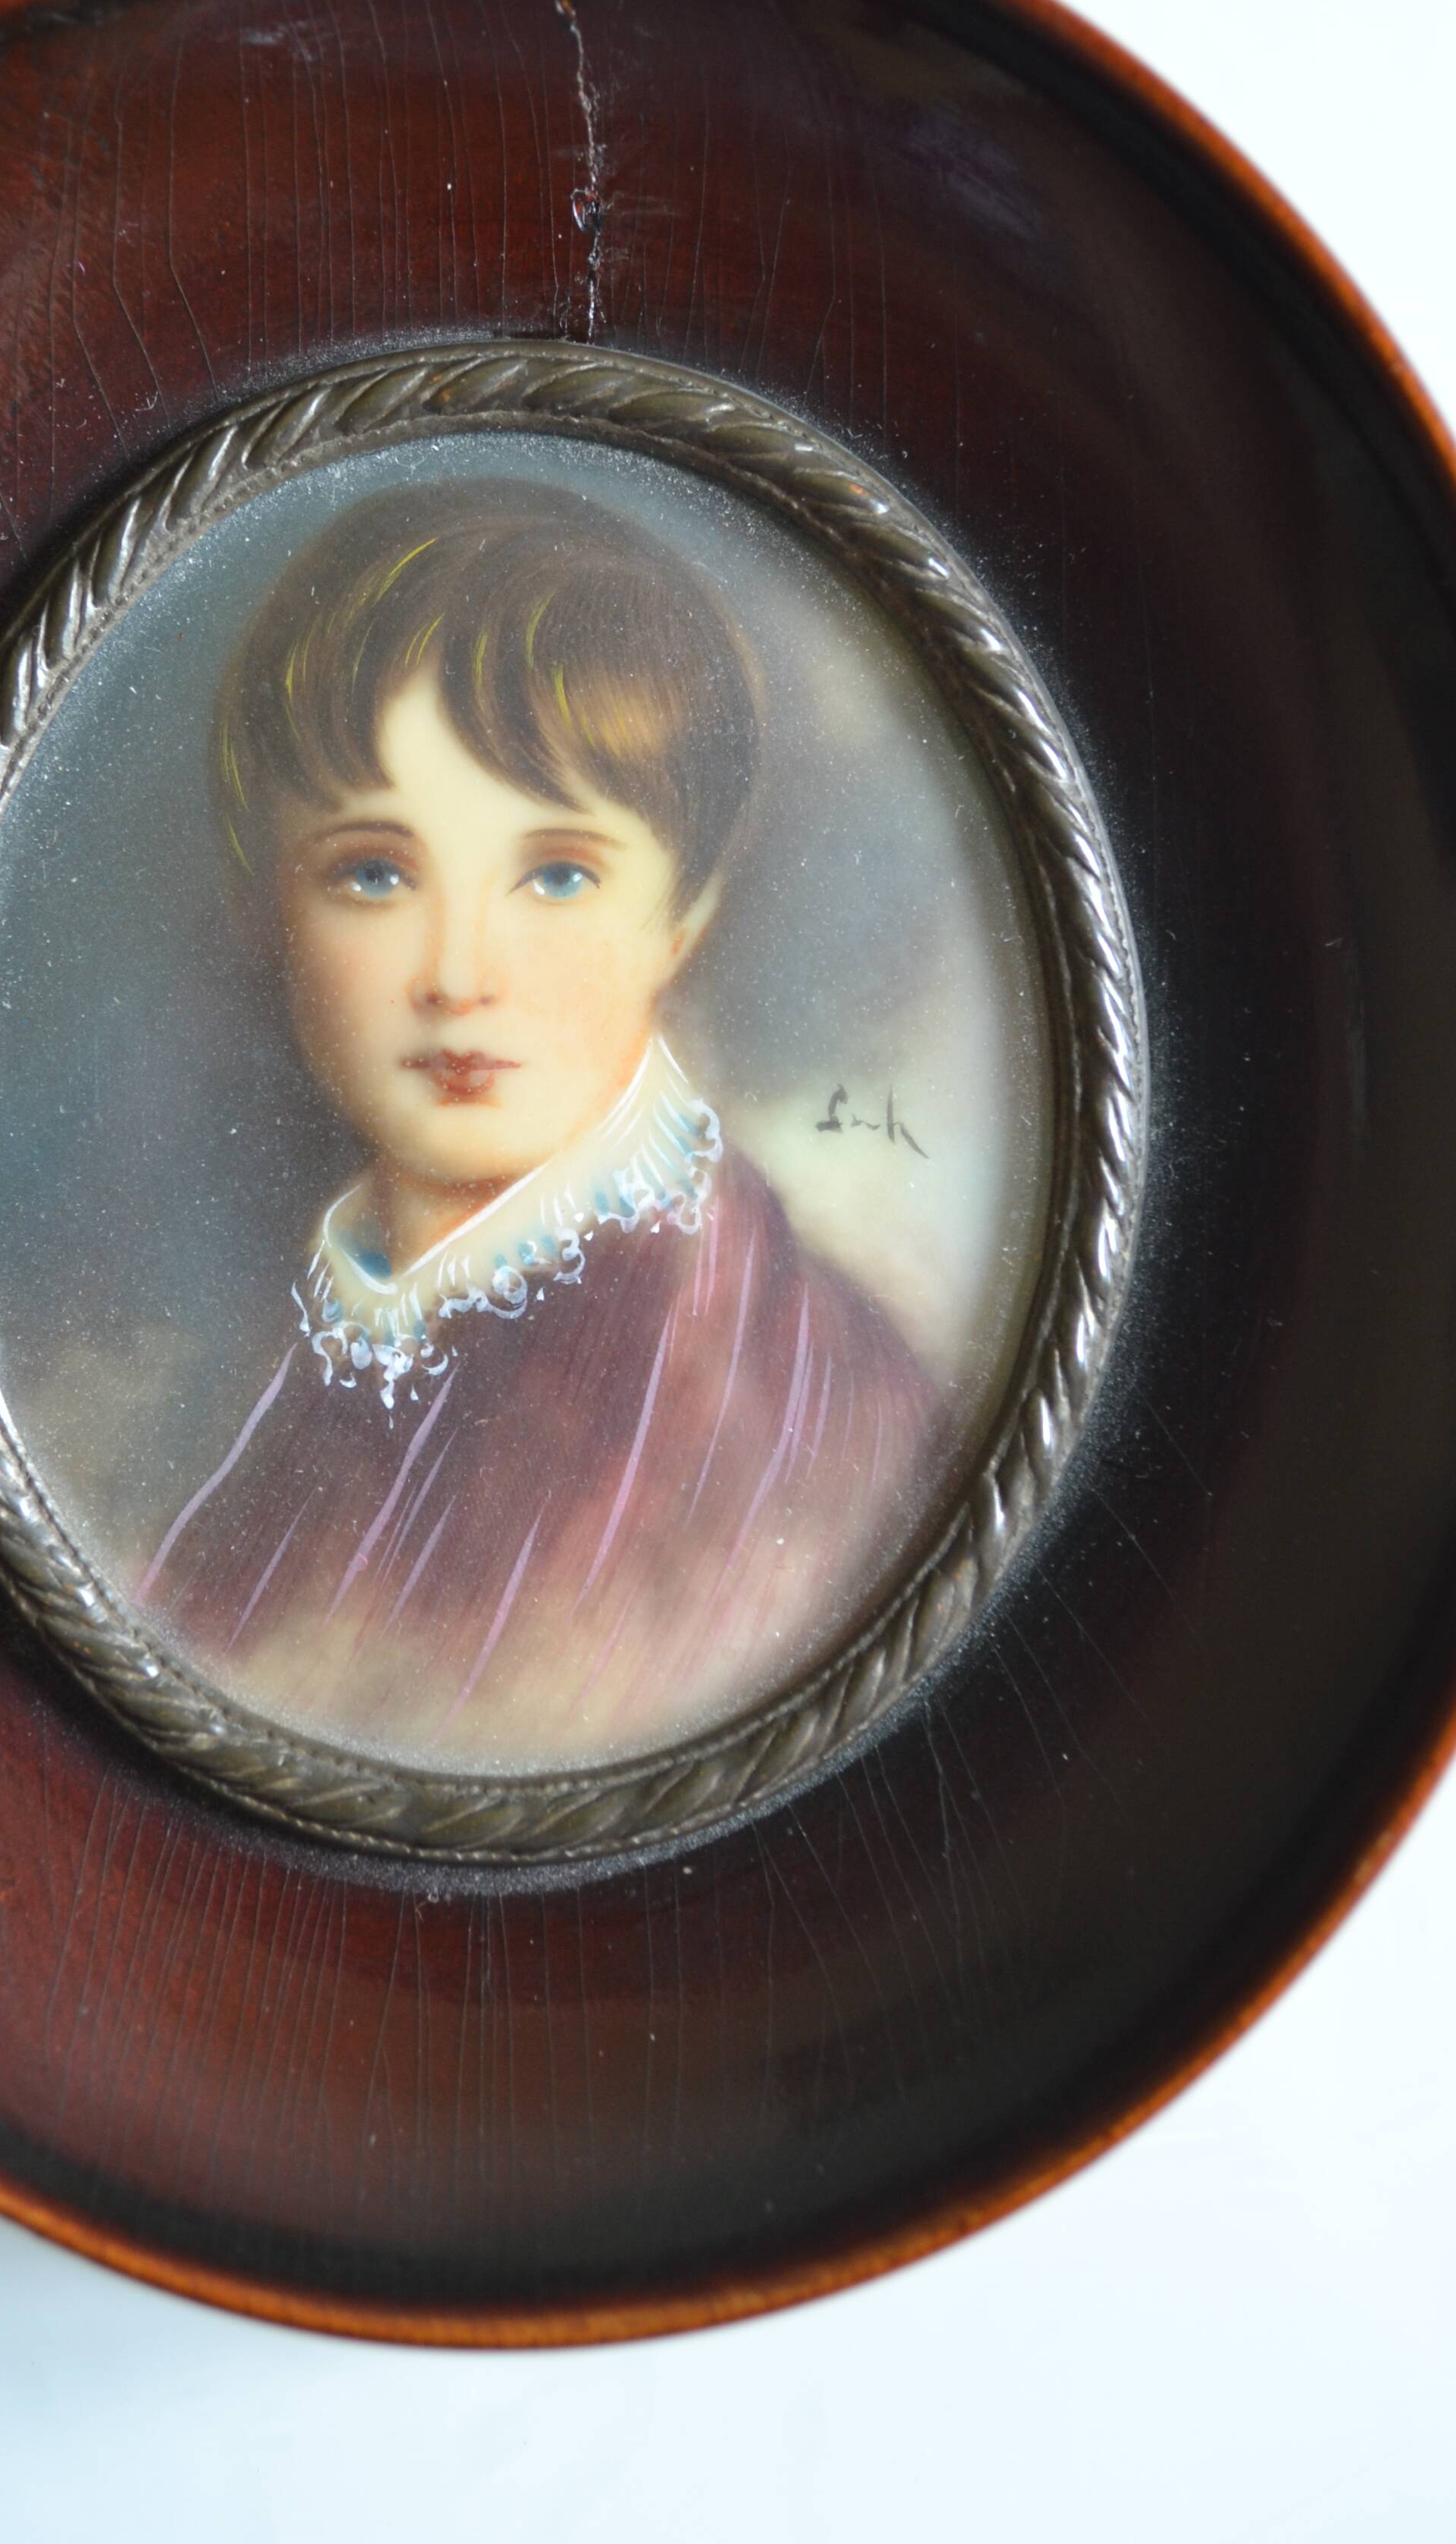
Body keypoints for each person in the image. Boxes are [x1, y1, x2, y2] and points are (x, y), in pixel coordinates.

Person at [136, 480, 941, 1768]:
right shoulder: (359, 1324)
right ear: (266, 907)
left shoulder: (768, 1384)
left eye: (557, 874)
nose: (460, 973)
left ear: (679, 917)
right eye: (375, 872)